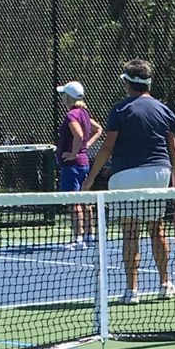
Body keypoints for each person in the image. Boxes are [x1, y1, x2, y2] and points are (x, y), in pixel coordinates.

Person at [83, 58, 175, 305]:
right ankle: (165, 284)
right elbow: (174, 151)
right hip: (159, 173)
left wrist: (90, 180)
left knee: (130, 233)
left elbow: (107, 148)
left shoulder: (119, 110)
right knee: (156, 229)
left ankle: (131, 291)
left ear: (128, 83)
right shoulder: (165, 110)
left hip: (126, 174)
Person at [55, 81, 103, 247]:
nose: (62, 97)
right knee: (84, 199)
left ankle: (79, 238)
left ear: (69, 97)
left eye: (63, 95)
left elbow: (79, 134)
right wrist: (86, 146)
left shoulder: (72, 115)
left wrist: (74, 153)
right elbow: (98, 130)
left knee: (73, 200)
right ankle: (89, 236)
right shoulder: (83, 113)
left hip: (73, 165)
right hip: (83, 164)